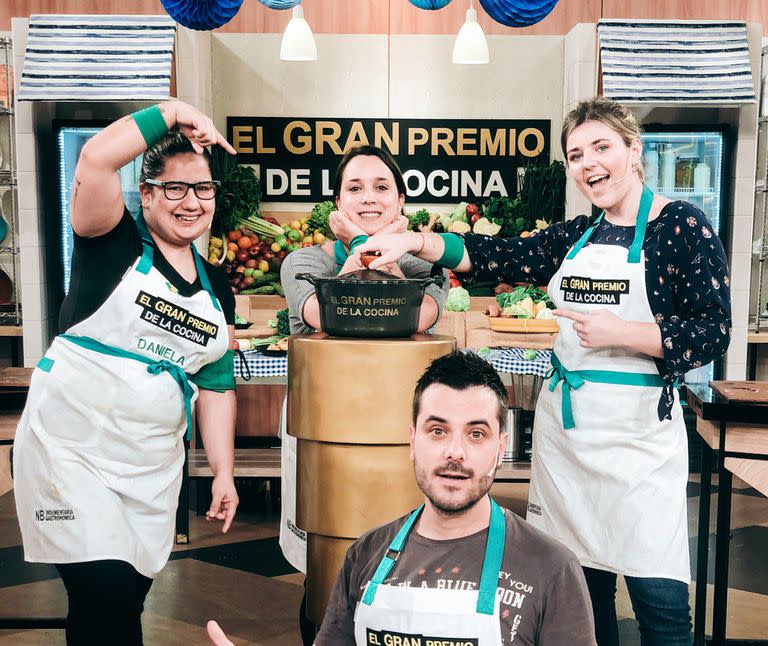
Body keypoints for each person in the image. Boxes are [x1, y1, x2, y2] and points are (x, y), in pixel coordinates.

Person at [355, 97, 732, 646]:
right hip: (568, 440)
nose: (589, 163)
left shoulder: (679, 226)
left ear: (634, 150)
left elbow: (711, 330)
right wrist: (414, 240)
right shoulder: (574, 235)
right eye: (576, 154)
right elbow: (493, 256)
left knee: (662, 599)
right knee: (583, 588)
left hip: (640, 443)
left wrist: (619, 333)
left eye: (601, 147)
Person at [13, 100, 240, 646]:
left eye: (203, 189)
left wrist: (224, 472)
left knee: (118, 603)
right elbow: (94, 158)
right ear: (147, 193)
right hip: (69, 454)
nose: (190, 202)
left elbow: (215, 385)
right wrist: (173, 111)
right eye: (174, 188)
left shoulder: (217, 288)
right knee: (105, 590)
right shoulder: (108, 239)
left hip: (150, 469)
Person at [207, 350, 595, 646]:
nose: (455, 453)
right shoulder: (367, 553)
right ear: (413, 441)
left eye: (476, 434)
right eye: (437, 431)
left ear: (500, 446)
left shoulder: (551, 569)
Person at [277, 145, 450, 642]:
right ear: (336, 200)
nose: (368, 198)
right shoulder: (303, 261)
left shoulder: (424, 270)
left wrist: (366, 244)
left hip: (401, 435)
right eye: (354, 189)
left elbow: (411, 317)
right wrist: (365, 246)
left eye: (381, 188)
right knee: (328, 560)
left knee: (404, 556)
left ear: (401, 202)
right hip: (324, 431)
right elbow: (334, 316)